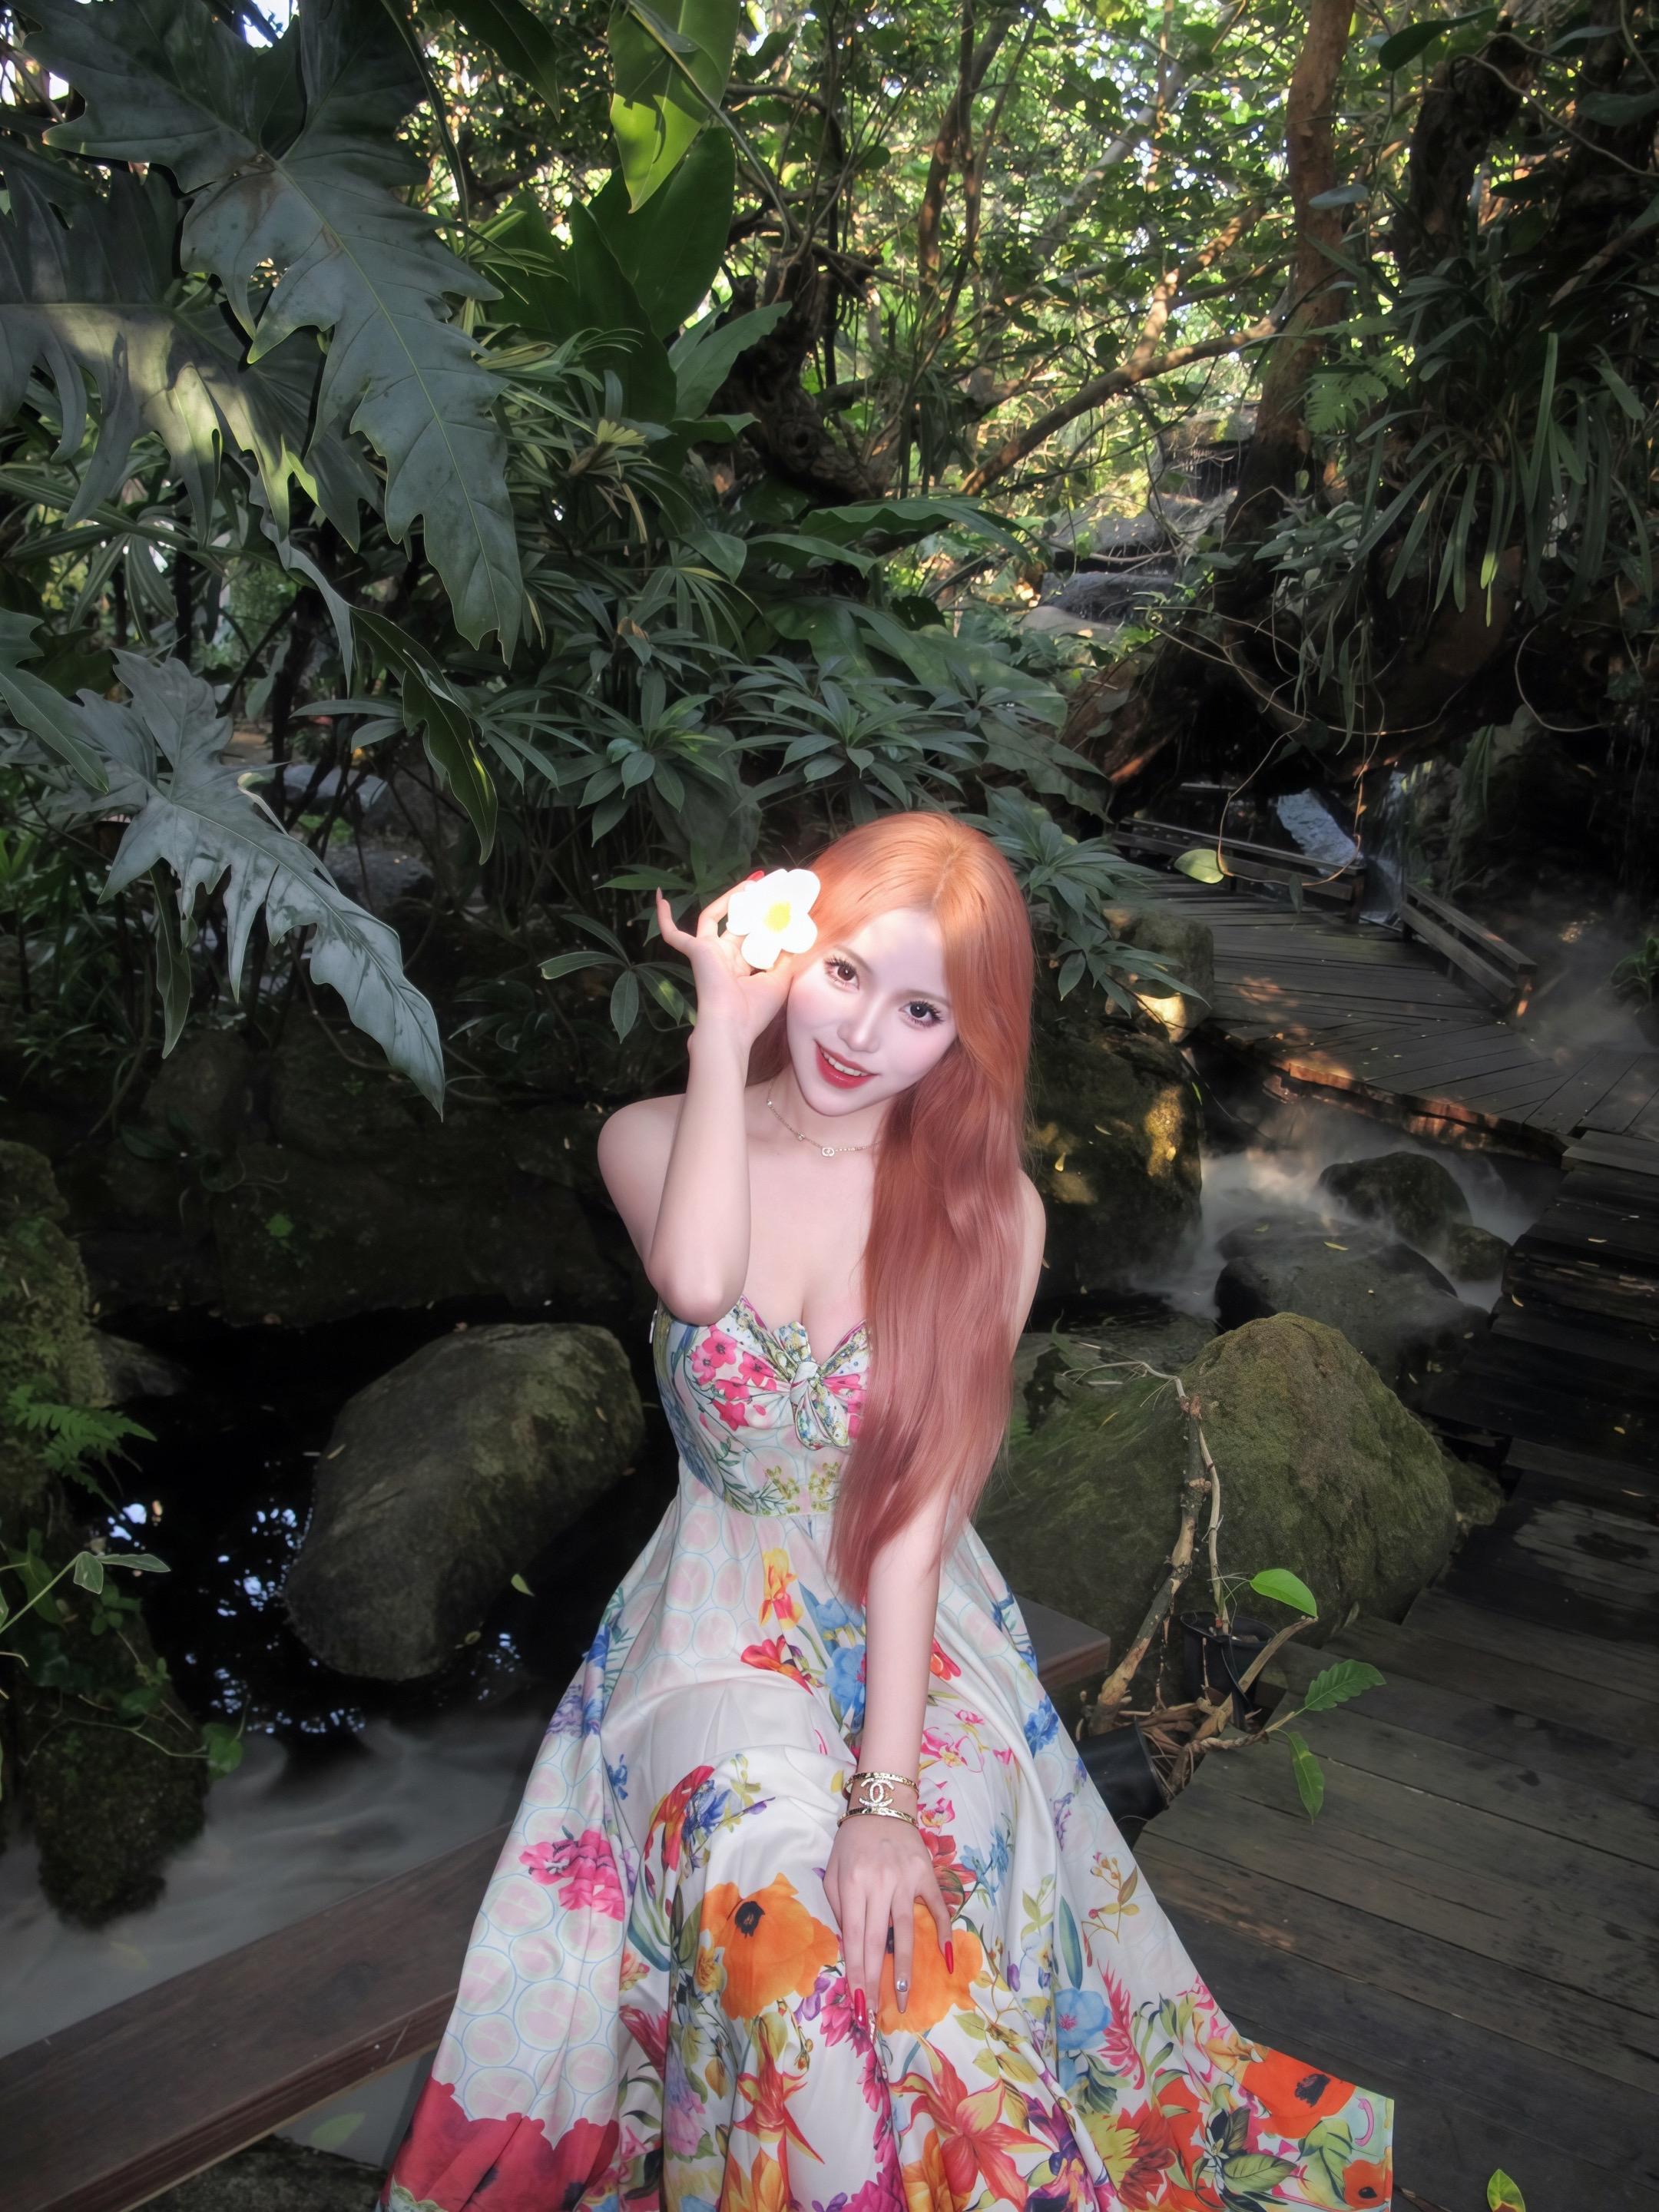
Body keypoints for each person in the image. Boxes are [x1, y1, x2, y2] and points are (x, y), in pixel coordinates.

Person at [380, 811, 1394, 2211]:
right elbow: (697, 1283)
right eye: (846, 974)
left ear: (970, 1037)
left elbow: (914, 1530)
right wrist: (721, 1035)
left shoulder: (992, 1217)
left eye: (923, 1012)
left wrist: (883, 1799)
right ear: (788, 946)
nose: (863, 1035)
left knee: (917, 1936)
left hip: (914, 1631)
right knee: (778, 1924)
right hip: (713, 1623)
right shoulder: (653, 1137)